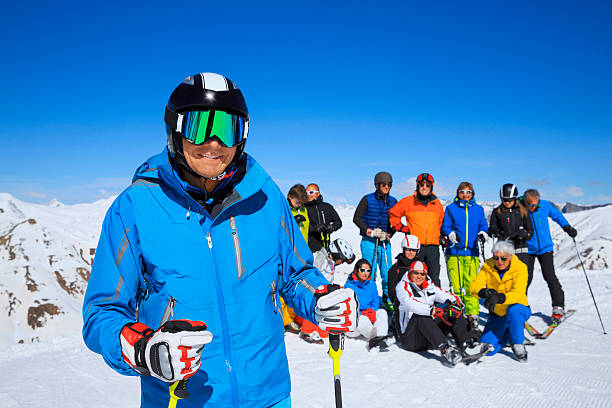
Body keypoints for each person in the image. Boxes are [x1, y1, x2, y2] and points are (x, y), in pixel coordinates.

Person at [82, 73, 359, 408]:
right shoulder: (136, 207)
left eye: (227, 129)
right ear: (175, 129)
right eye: (199, 126)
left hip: (267, 394)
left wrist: (320, 300)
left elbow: (296, 276)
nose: (213, 142)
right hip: (181, 398)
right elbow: (102, 313)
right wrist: (143, 349)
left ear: (241, 137)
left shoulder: (266, 198)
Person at [395, 260, 470, 366]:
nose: (419, 276)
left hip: (430, 337)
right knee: (420, 315)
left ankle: (467, 344)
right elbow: (410, 303)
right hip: (410, 339)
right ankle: (446, 350)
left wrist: (457, 304)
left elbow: (446, 295)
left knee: (453, 311)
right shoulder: (402, 287)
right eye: (416, 273)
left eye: (422, 274)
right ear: (410, 273)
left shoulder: (429, 286)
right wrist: (432, 310)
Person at [520, 189, 577, 323]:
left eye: (535, 204)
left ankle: (558, 307)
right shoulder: (519, 206)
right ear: (525, 201)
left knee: (550, 276)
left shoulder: (544, 205)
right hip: (528, 249)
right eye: (531, 205)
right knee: (525, 279)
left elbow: (557, 215)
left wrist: (567, 228)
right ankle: (520, 307)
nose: (534, 207)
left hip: (545, 248)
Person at [470, 240, 531, 362]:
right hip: (498, 312)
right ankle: (508, 335)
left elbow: (518, 294)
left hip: (519, 307)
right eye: (496, 258)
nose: (499, 262)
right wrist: (483, 292)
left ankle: (517, 343)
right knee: (487, 350)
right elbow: (473, 287)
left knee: (514, 311)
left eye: (503, 258)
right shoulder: (488, 265)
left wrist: (499, 297)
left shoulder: (520, 268)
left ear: (510, 257)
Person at [441, 182, 488, 331]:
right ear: (457, 193)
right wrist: (450, 234)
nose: (465, 195)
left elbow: (483, 225)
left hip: (472, 253)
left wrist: (483, 233)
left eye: (468, 192)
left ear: (472, 194)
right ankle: (457, 312)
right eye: (462, 192)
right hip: (455, 252)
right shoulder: (451, 208)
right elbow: (445, 225)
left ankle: (473, 314)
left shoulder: (478, 209)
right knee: (456, 285)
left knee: (472, 286)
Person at [389, 173, 444, 286]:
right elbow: (393, 214)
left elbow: (441, 222)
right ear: (417, 186)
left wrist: (442, 236)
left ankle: (434, 301)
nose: (424, 187)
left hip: (433, 246)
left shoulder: (436, 203)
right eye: (422, 185)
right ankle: (414, 300)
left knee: (434, 276)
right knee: (415, 276)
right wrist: (400, 226)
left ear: (431, 187)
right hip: (415, 247)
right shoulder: (408, 201)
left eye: (427, 185)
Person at [298, 238, 356, 344]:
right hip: (311, 291)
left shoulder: (330, 261)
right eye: (342, 260)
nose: (341, 263)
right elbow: (312, 274)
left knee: (325, 332)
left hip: (322, 291)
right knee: (312, 304)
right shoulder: (320, 259)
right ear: (337, 254)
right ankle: (307, 331)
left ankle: (312, 325)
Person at [353, 171, 397, 306]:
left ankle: (387, 297)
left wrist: (389, 234)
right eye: (383, 184)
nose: (386, 186)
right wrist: (369, 231)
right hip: (369, 241)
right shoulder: (367, 199)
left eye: (389, 184)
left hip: (384, 242)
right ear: (377, 185)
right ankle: (368, 297)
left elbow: (396, 221)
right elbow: (357, 218)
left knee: (387, 271)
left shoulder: (393, 201)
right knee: (368, 271)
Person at [344, 259, 389, 350]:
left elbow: (375, 303)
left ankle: (380, 336)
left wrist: (372, 311)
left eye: (368, 271)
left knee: (382, 312)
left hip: (368, 317)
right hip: (353, 324)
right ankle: (375, 338)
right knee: (362, 319)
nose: (365, 273)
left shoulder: (372, 285)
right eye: (362, 270)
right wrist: (363, 314)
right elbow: (347, 309)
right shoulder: (348, 287)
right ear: (356, 271)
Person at [283, 184, 310, 333]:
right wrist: (293, 219)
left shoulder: (304, 209)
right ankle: (285, 320)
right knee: (283, 286)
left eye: (301, 203)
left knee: (295, 286)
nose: (299, 205)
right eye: (297, 202)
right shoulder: (285, 209)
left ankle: (293, 318)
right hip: (287, 252)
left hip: (301, 252)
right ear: (290, 198)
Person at [488, 183, 533, 267]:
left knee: (520, 276)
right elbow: (492, 228)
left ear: (515, 198)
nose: (507, 202)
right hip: (503, 250)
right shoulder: (497, 212)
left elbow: (530, 232)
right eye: (504, 200)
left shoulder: (523, 211)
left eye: (510, 200)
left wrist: (523, 234)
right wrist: (494, 231)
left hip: (520, 249)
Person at [387, 235, 421, 338]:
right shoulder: (396, 268)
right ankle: (395, 329)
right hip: (402, 302)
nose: (411, 252)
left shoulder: (421, 266)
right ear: (404, 249)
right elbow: (391, 289)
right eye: (408, 249)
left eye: (413, 250)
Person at [304, 183, 342, 253]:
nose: (308, 195)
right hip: (308, 249)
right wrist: (315, 228)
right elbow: (302, 225)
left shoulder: (327, 207)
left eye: (311, 192)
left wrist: (332, 227)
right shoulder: (303, 208)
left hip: (325, 248)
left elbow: (338, 222)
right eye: (306, 192)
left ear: (318, 193)